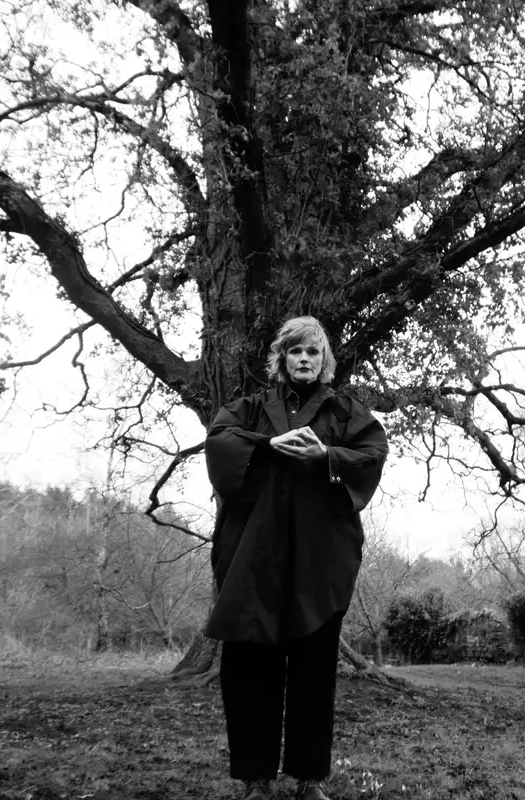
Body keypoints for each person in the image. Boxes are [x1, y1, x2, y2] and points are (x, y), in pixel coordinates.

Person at [204, 316, 390, 800]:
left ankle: (309, 780)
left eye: (313, 352)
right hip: (253, 563)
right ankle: (256, 779)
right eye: (295, 352)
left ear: (324, 360)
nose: (304, 359)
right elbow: (220, 443)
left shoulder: (347, 412)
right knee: (250, 673)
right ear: (282, 359)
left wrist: (326, 456)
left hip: (318, 564)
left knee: (313, 672)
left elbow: (371, 456)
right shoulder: (249, 408)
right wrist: (267, 446)